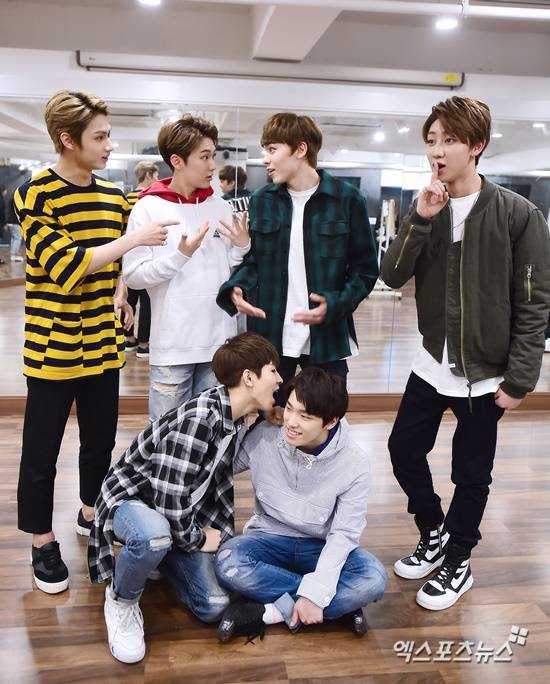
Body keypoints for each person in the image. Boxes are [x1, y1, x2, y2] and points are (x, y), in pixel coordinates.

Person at [380, 96, 550, 611]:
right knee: (403, 450)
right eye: (431, 140)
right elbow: (391, 276)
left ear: (476, 146)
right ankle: (433, 530)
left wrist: (520, 378)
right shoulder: (425, 208)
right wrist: (419, 218)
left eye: (449, 140)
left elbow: (534, 302)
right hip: (431, 363)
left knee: (471, 474)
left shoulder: (518, 214)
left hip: (485, 373)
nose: (437, 151)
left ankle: (458, 559)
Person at [14, 90, 174, 595]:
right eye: (100, 136)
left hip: (103, 343)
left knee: (100, 441)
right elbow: (67, 268)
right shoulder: (34, 194)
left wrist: (122, 287)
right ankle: (41, 541)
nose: (109, 145)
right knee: (41, 452)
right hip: (53, 346)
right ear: (68, 139)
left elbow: (118, 263)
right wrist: (133, 241)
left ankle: (90, 512)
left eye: (109, 135)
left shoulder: (113, 195)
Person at [88, 332, 282, 664]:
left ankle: (161, 556)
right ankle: (121, 599)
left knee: (214, 604)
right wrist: (197, 538)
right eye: (273, 371)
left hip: (177, 516)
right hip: (134, 503)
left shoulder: (234, 418)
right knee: (152, 536)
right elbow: (168, 499)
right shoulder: (201, 419)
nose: (279, 380)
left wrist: (270, 420)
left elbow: (215, 475)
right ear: (249, 378)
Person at [215, 367, 387, 642]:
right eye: (290, 409)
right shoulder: (266, 436)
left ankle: (268, 612)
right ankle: (335, 606)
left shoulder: (355, 463)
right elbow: (221, 466)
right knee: (228, 561)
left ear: (331, 421)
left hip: (320, 546)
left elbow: (343, 534)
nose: (291, 422)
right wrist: (243, 413)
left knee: (373, 578)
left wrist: (316, 592)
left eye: (305, 417)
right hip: (268, 539)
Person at [217, 113, 378, 404]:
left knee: (325, 416)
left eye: (272, 149)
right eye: (265, 150)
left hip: (327, 337)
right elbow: (254, 261)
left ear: (300, 149)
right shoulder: (262, 200)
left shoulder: (347, 199)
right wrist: (237, 287)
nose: (265, 159)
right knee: (269, 418)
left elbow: (365, 271)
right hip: (271, 336)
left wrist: (335, 303)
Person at [123, 115, 250, 421]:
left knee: (212, 434)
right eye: (204, 157)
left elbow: (227, 271)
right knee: (167, 438)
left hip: (219, 345)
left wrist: (242, 247)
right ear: (177, 161)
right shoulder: (148, 208)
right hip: (172, 348)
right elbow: (134, 276)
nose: (212, 166)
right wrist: (179, 256)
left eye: (213, 156)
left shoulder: (221, 207)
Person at [124, 161, 160, 358]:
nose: (157, 179)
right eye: (155, 175)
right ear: (148, 175)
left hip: (127, 254)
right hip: (147, 255)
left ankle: (129, 339)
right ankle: (144, 344)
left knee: (129, 299)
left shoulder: (126, 198)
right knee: (147, 302)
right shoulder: (151, 199)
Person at [5, 189, 24, 262]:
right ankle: (14, 255)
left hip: (10, 222)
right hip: (14, 222)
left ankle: (13, 254)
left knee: (14, 238)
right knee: (18, 238)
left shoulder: (11, 200)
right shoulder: (16, 200)